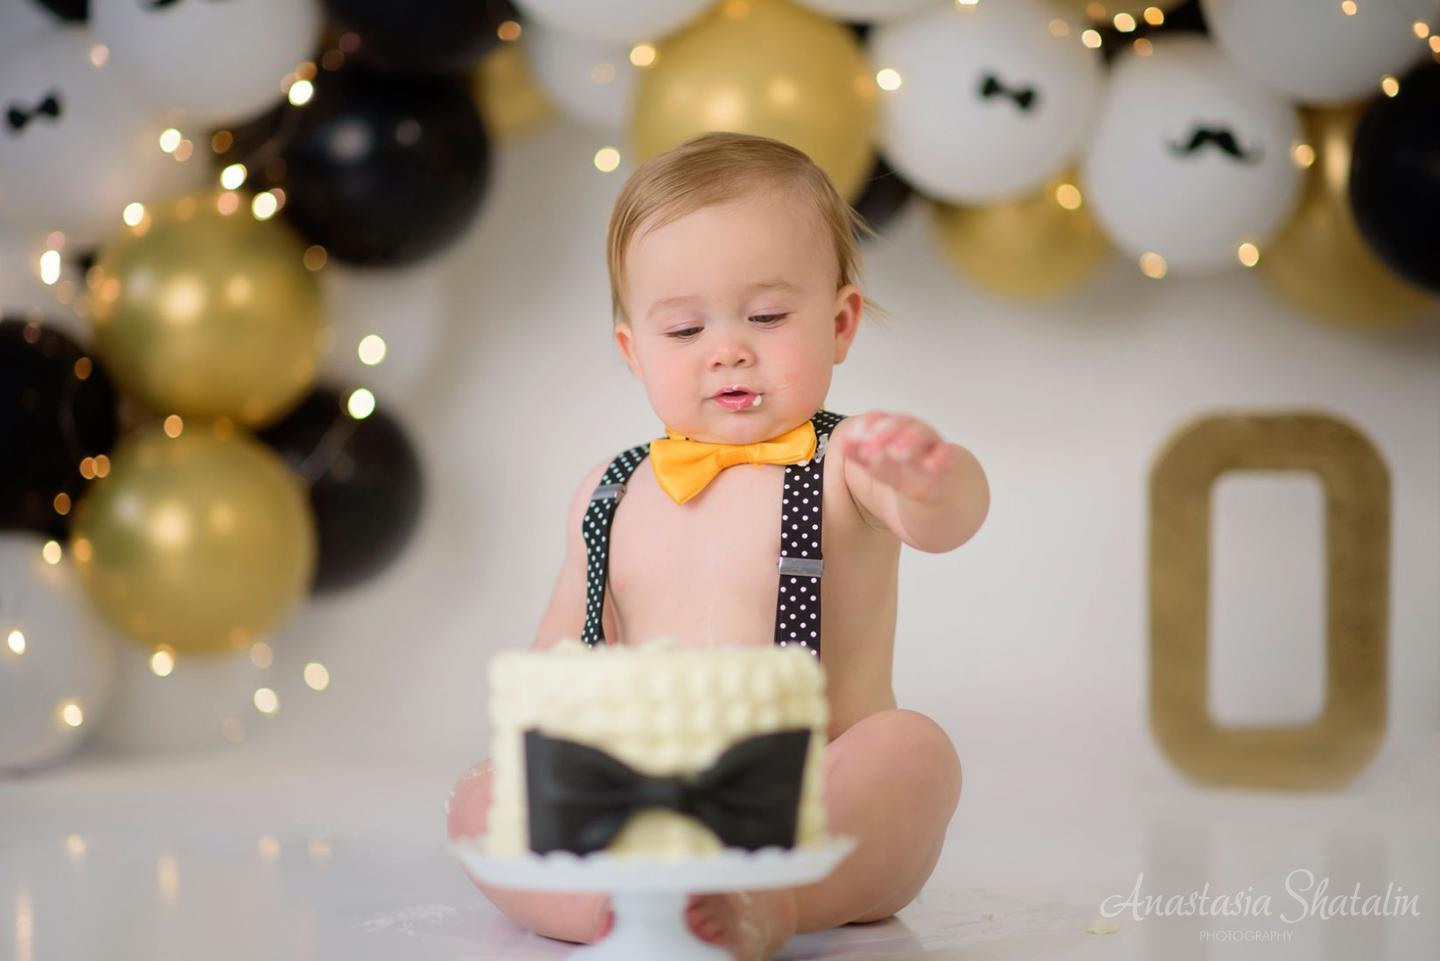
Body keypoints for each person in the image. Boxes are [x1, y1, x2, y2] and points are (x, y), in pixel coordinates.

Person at [446, 131, 988, 961]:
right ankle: (623, 907)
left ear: (840, 323)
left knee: (914, 752)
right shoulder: (610, 491)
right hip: (641, 806)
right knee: (480, 796)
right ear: (633, 350)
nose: (728, 348)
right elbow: (565, 650)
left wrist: (929, 477)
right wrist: (547, 763)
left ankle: (764, 900)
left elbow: (948, 521)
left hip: (813, 805)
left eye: (767, 316)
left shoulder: (846, 461)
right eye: (684, 328)